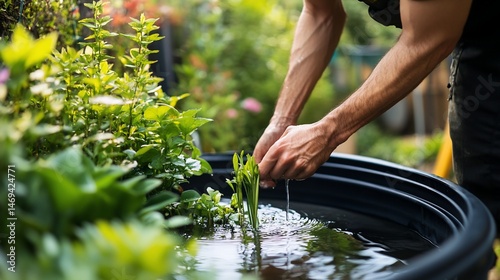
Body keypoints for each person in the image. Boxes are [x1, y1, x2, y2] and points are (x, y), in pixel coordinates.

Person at [253, 0, 500, 239]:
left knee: (491, 181)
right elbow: (320, 13)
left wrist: (327, 132)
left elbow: (428, 39)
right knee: (483, 185)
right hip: (468, 31)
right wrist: (281, 121)